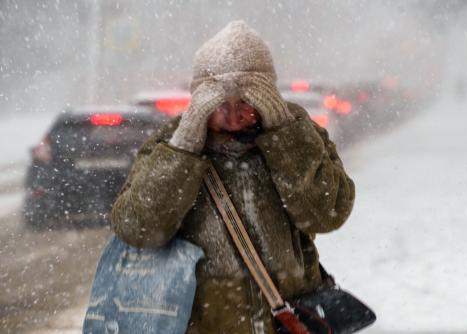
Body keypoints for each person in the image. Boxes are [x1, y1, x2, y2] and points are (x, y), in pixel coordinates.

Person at [111, 20, 355, 333]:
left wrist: (283, 132)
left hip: (287, 323)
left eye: (246, 102)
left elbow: (328, 214)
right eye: (220, 104)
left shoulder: (295, 134)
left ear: (267, 96)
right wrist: (184, 149)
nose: (234, 115)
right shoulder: (171, 145)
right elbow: (139, 229)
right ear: (200, 100)